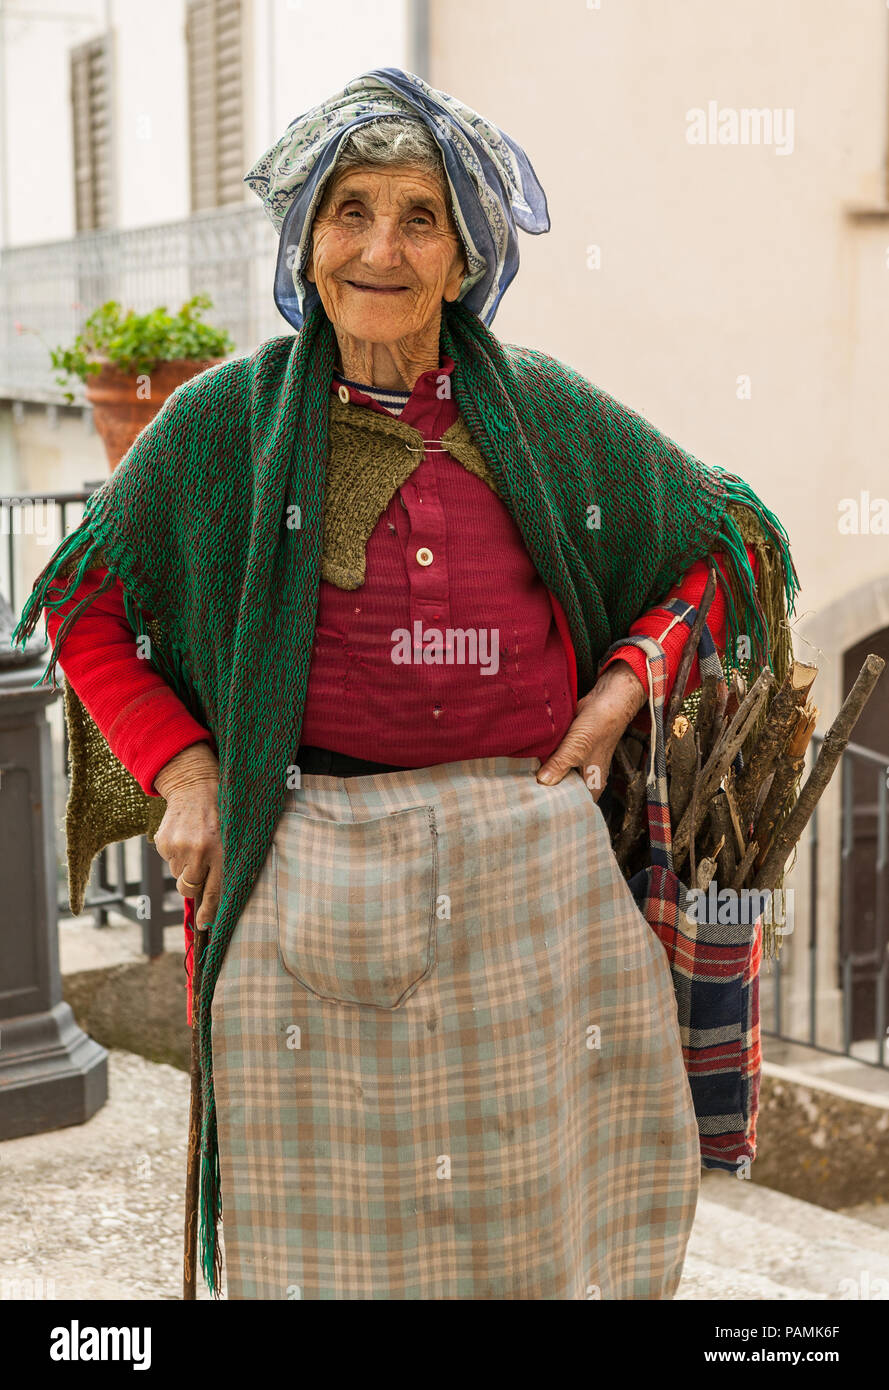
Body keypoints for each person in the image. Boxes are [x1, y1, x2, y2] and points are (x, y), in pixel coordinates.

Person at [14, 68, 798, 1300]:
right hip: (308, 860)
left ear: (463, 253)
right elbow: (80, 600)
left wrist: (620, 692)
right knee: (329, 1245)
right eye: (350, 210)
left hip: (531, 867)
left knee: (541, 1225)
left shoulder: (543, 416)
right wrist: (186, 767)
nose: (381, 246)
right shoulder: (223, 428)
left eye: (420, 216)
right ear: (305, 241)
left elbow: (731, 542)